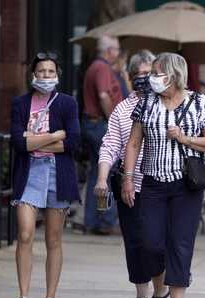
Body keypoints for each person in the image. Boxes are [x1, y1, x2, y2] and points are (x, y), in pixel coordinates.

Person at [123, 52, 205, 298]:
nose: (152, 78)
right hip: (153, 183)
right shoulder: (146, 104)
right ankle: (160, 292)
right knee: (150, 243)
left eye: (157, 72)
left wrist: (185, 138)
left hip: (185, 185)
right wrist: (129, 178)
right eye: (152, 72)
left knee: (180, 244)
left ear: (174, 74)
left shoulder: (198, 102)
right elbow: (133, 143)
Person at [94, 50, 170, 298]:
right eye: (138, 75)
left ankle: (160, 294)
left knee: (156, 243)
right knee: (136, 243)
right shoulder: (122, 109)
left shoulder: (167, 105)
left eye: (149, 74)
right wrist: (102, 177)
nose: (143, 79)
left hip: (160, 185)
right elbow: (110, 145)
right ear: (128, 77)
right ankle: (142, 296)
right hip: (128, 186)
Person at [8, 52, 80, 298]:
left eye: (50, 72)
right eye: (41, 71)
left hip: (57, 174)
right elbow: (18, 143)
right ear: (33, 75)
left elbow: (72, 142)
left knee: (53, 238)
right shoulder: (20, 103)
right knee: (25, 233)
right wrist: (52, 136)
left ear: (57, 75)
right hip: (29, 174)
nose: (45, 76)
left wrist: (33, 139)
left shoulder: (67, 104)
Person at [82, 35, 124, 235]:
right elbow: (103, 95)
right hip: (100, 125)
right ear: (109, 50)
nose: (118, 53)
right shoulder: (102, 68)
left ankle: (92, 220)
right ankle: (105, 221)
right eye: (116, 49)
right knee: (107, 173)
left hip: (94, 124)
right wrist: (113, 120)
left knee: (96, 174)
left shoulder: (97, 67)